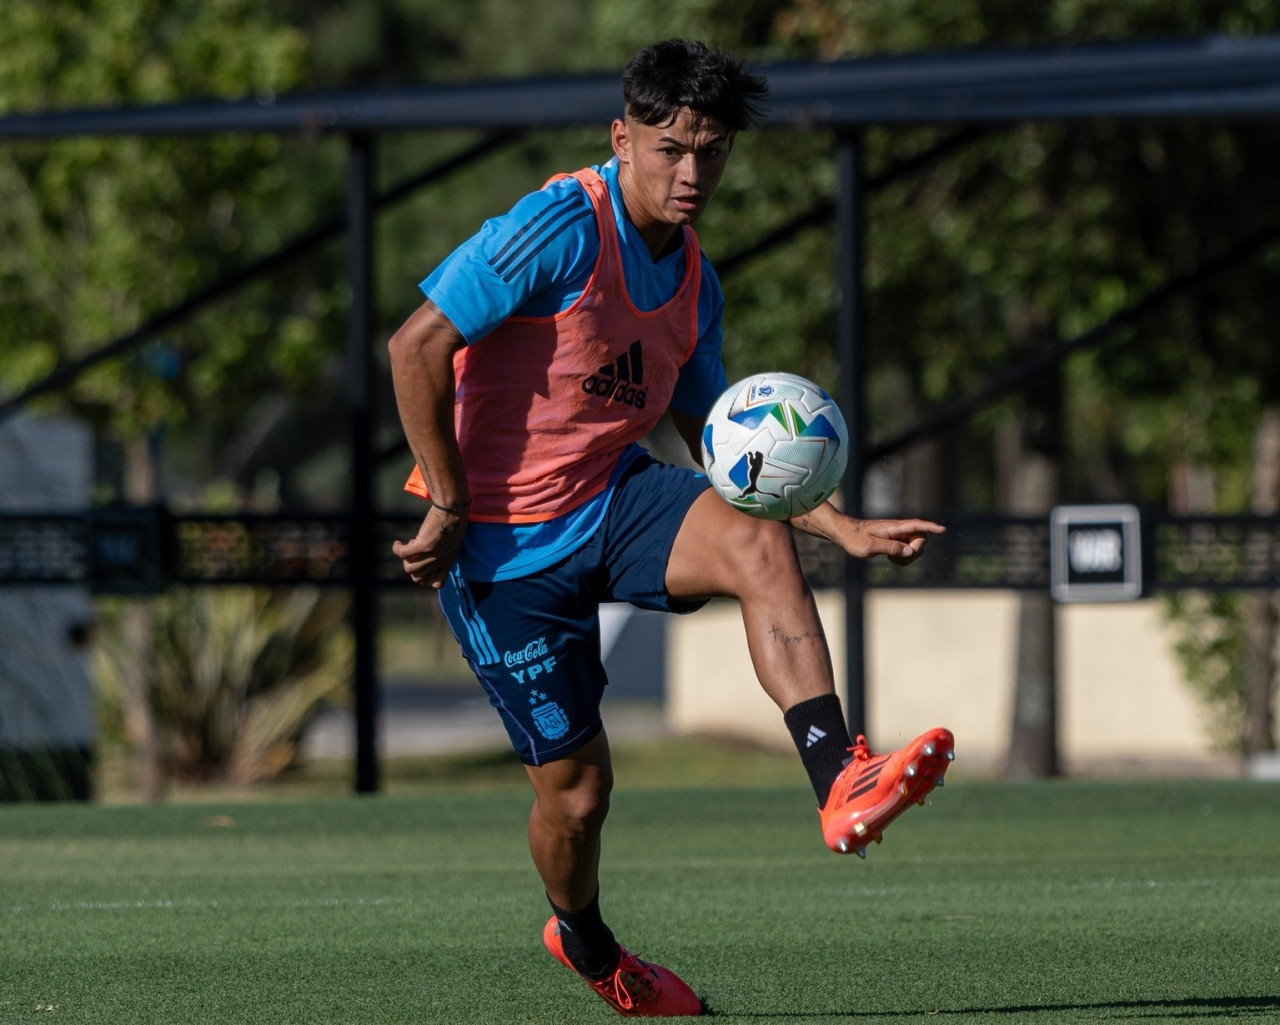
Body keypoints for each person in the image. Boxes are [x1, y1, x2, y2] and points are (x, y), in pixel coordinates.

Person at [389, 38, 954, 1018]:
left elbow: (720, 439)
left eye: (712, 152)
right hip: (498, 546)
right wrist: (446, 495)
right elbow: (416, 345)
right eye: (669, 148)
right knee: (576, 794)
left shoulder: (695, 280)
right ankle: (588, 940)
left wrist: (839, 523)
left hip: (611, 499)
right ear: (622, 138)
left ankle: (838, 774)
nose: (691, 173)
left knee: (753, 529)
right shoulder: (557, 226)